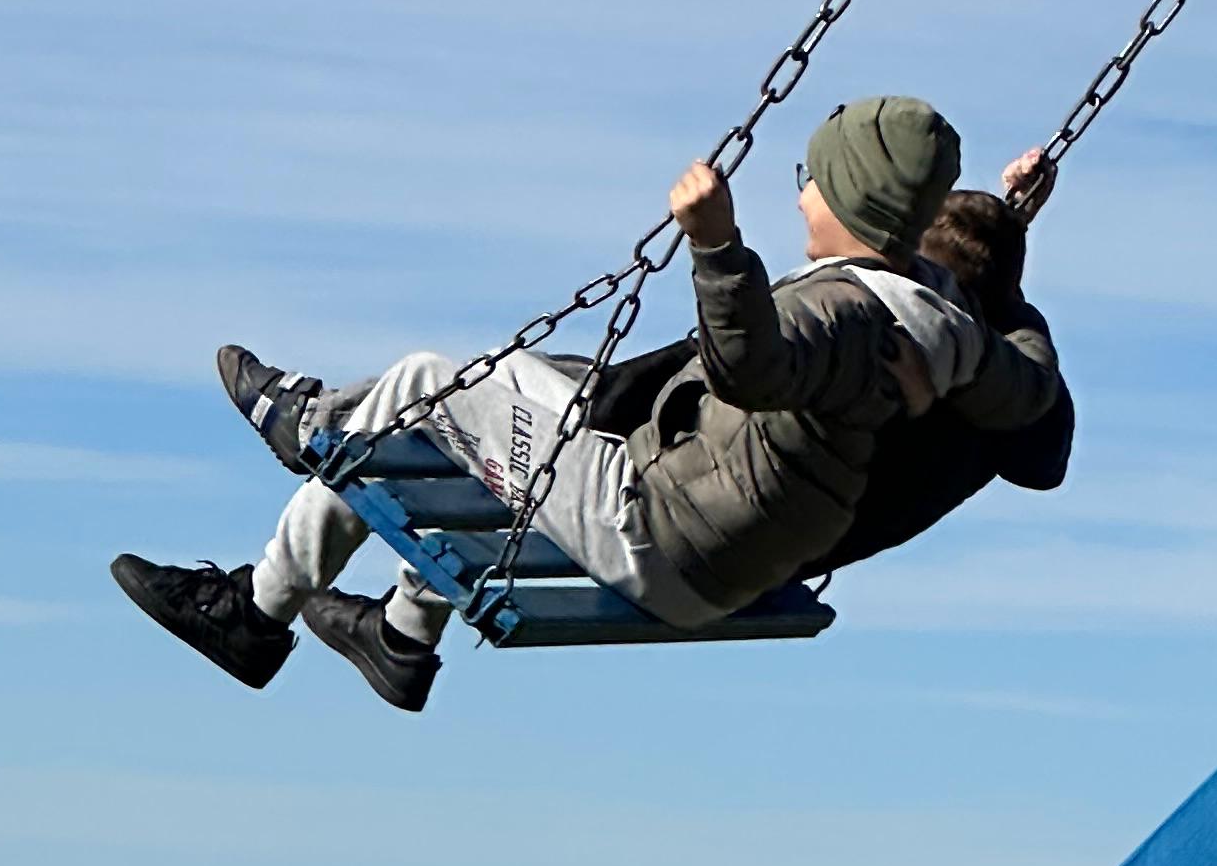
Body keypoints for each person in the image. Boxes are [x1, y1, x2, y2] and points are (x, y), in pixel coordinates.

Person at [111, 95, 1063, 713]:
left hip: (663, 527)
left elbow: (750, 367)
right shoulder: (963, 349)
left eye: (811, 181)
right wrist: (1007, 244)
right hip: (738, 546)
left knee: (430, 388)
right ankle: (393, 636)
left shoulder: (840, 315)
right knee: (490, 411)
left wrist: (718, 245)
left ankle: (293, 467)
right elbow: (1025, 390)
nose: (802, 193)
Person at [813, 156, 1072, 571]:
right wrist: (1008, 249)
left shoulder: (881, 351)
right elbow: (1043, 459)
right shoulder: (1006, 403)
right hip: (790, 555)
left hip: (738, 534)